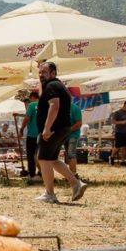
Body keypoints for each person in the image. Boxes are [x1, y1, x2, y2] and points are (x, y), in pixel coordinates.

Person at [34, 61, 87, 203]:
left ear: (53, 73)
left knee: (43, 159)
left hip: (54, 129)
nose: (41, 75)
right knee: (52, 160)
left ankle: (49, 194)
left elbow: (54, 106)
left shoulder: (52, 86)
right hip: (62, 128)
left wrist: (46, 128)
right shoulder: (57, 85)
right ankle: (76, 183)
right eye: (39, 72)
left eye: (44, 72)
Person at [20, 90, 40, 178]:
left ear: (32, 98)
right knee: (40, 155)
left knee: (31, 155)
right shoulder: (45, 105)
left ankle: (31, 173)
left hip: (32, 135)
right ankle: (41, 172)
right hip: (42, 134)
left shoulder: (32, 105)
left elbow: (27, 118)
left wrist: (21, 128)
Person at [63, 101, 83, 176]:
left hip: (73, 135)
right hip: (64, 135)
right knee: (68, 154)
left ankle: (73, 174)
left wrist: (69, 130)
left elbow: (79, 123)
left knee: (71, 154)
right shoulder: (60, 108)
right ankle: (71, 174)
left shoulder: (75, 108)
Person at [111, 100, 126, 165]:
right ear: (125, 105)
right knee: (117, 147)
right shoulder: (117, 113)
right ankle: (112, 157)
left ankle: (123, 161)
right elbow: (113, 122)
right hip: (119, 132)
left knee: (125, 147)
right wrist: (121, 122)